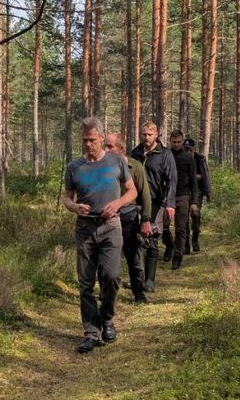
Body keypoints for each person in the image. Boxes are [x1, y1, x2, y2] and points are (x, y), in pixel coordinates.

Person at [62, 117, 138, 354]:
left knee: (111, 276)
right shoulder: (74, 167)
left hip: (111, 226)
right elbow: (66, 197)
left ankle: (107, 319)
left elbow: (132, 191)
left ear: (102, 138)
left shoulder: (116, 162)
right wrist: (74, 207)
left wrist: (117, 204)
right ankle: (91, 332)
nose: (88, 145)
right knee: (85, 283)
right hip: (85, 229)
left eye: (92, 140)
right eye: (85, 140)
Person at [105, 132, 155, 304]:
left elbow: (145, 195)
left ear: (121, 148)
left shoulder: (135, 167)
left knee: (134, 257)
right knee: (107, 258)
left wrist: (146, 220)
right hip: (108, 219)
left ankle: (139, 293)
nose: (106, 150)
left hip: (129, 217)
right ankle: (107, 293)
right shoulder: (102, 167)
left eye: (110, 146)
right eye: (105, 146)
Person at [130, 122, 176, 293]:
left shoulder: (165, 154)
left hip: (156, 202)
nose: (146, 137)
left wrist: (170, 204)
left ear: (156, 135)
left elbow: (172, 179)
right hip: (135, 201)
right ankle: (137, 278)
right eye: (144, 134)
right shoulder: (135, 153)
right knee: (135, 240)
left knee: (151, 238)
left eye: (149, 134)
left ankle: (149, 280)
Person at [166, 130, 200, 270]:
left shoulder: (188, 158)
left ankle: (177, 257)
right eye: (174, 142)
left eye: (179, 142)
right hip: (167, 196)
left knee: (181, 227)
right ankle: (169, 245)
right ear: (170, 141)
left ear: (182, 140)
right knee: (163, 227)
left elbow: (193, 181)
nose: (176, 144)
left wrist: (194, 202)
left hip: (183, 195)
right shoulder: (165, 155)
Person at [183, 137, 211, 254]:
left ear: (194, 149)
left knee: (195, 215)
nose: (188, 152)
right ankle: (185, 244)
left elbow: (205, 176)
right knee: (183, 219)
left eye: (189, 149)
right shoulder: (179, 158)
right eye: (186, 149)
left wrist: (208, 193)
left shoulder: (200, 159)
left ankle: (195, 239)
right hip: (183, 191)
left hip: (197, 191)